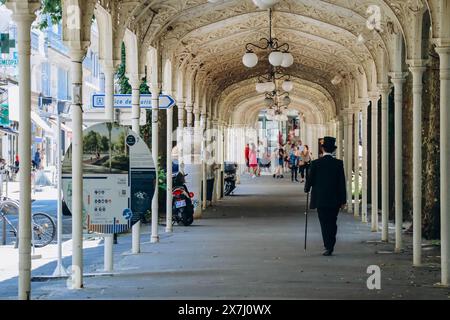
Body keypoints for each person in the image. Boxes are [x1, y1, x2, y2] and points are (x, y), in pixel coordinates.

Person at [304, 137, 346, 256]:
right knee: (333, 221)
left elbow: (310, 179)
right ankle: (331, 242)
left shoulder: (316, 163)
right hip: (335, 199)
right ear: (333, 150)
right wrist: (343, 199)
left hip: (320, 198)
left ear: (322, 149)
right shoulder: (338, 164)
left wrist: (306, 188)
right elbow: (341, 182)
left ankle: (328, 245)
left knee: (324, 222)